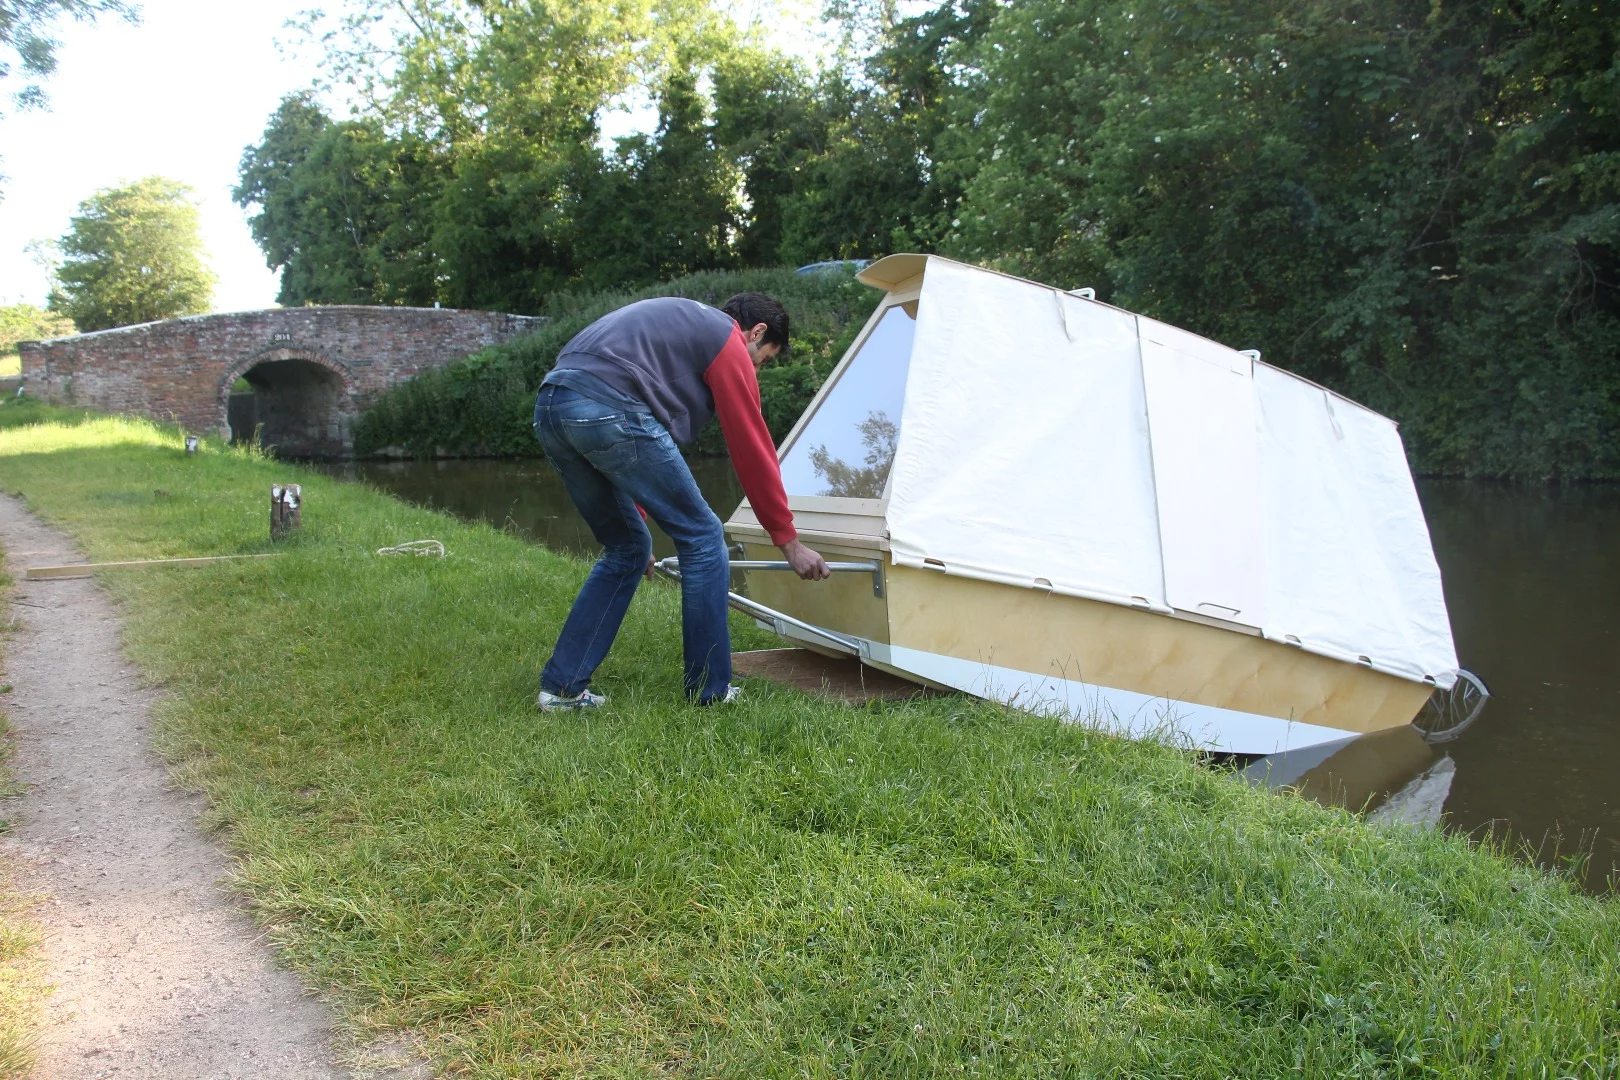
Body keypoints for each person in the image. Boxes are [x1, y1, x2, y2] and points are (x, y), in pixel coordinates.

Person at [531, 292, 831, 710]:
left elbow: (637, 452)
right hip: (608, 406)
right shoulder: (726, 339)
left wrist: (636, 521)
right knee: (705, 538)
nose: (755, 370)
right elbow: (751, 446)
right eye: (762, 360)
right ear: (755, 332)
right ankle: (710, 691)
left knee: (627, 549)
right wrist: (788, 541)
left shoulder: (682, 327)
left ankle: (562, 689)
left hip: (552, 405)